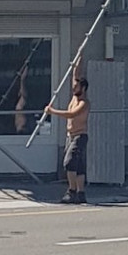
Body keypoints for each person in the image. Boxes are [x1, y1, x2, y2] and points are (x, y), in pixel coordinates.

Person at [46, 66, 91, 204]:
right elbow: (75, 74)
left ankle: (72, 191)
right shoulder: (74, 98)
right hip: (70, 136)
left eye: (76, 87)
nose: (73, 88)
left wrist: (52, 111)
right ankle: (81, 193)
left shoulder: (84, 103)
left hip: (80, 136)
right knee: (78, 165)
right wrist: (79, 59)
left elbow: (71, 114)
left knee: (69, 162)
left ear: (83, 88)